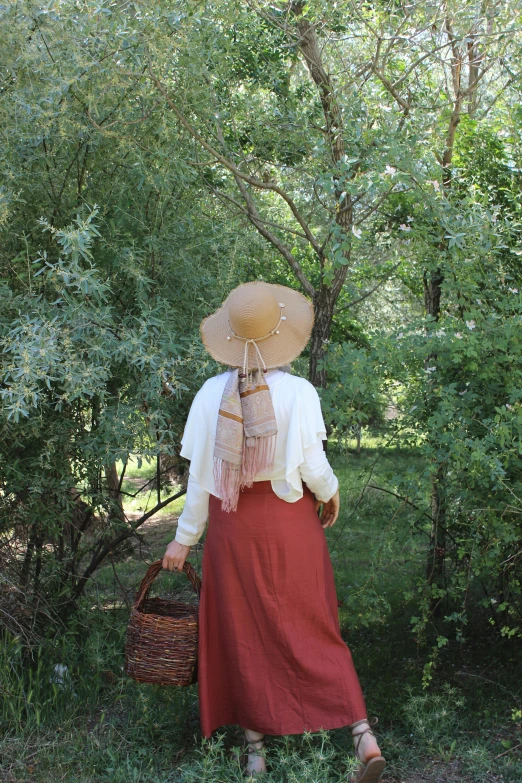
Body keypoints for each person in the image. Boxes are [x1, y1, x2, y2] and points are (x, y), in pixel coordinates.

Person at [162, 281, 385, 782]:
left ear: (232, 339)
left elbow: (201, 481)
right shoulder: (299, 393)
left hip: (231, 528)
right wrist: (331, 493)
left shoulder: (208, 396)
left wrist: (184, 538)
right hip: (290, 526)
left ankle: (256, 755)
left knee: (243, 631)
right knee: (315, 624)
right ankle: (362, 737)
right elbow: (313, 465)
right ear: (280, 335)